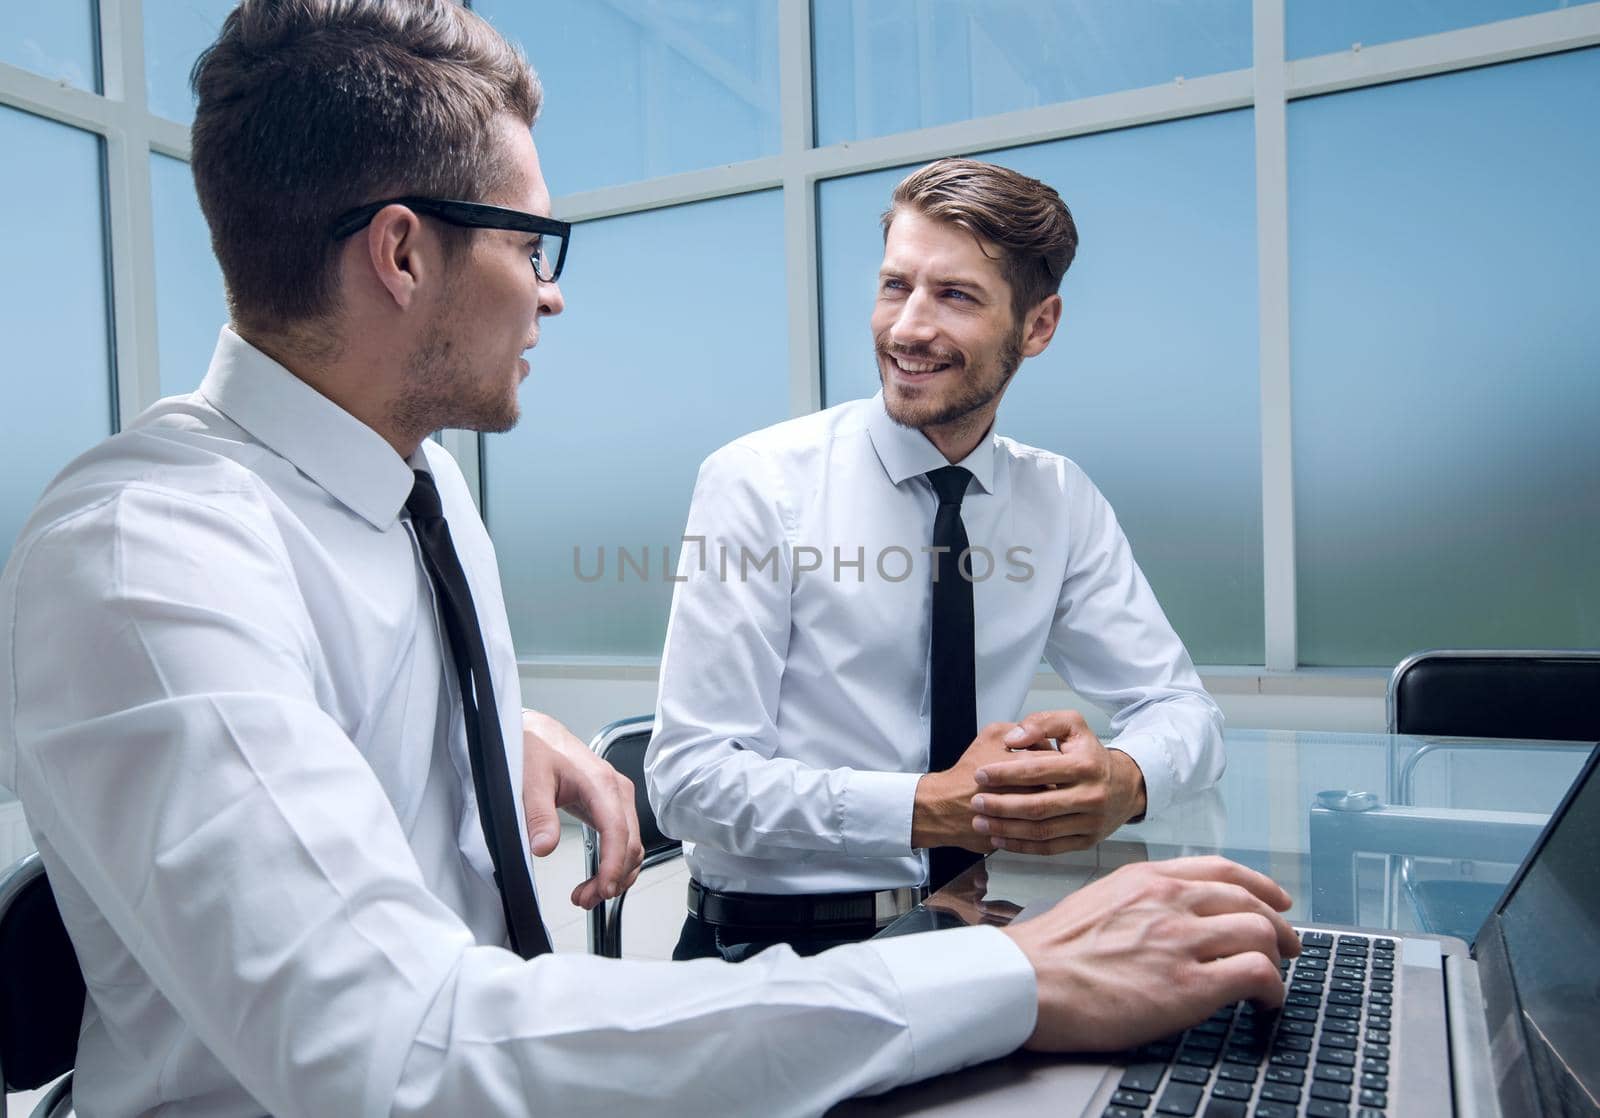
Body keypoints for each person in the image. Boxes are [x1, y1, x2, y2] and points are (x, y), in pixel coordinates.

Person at [0, 3, 1293, 1114]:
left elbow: (306, 742)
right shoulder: (146, 558)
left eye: (952, 295)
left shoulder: (414, 492)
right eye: (528, 243)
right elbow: (405, 1057)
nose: (549, 293)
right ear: (402, 254)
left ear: (1037, 326)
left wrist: (484, 722)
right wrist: (1020, 977)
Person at [648, 158, 1226, 962]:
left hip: (965, 934)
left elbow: (1184, 710)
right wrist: (928, 809)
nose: (908, 328)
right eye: (895, 287)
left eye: (954, 296)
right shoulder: (759, 483)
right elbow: (689, 781)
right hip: (770, 949)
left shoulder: (1058, 500)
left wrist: (1126, 779)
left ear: (1038, 326)